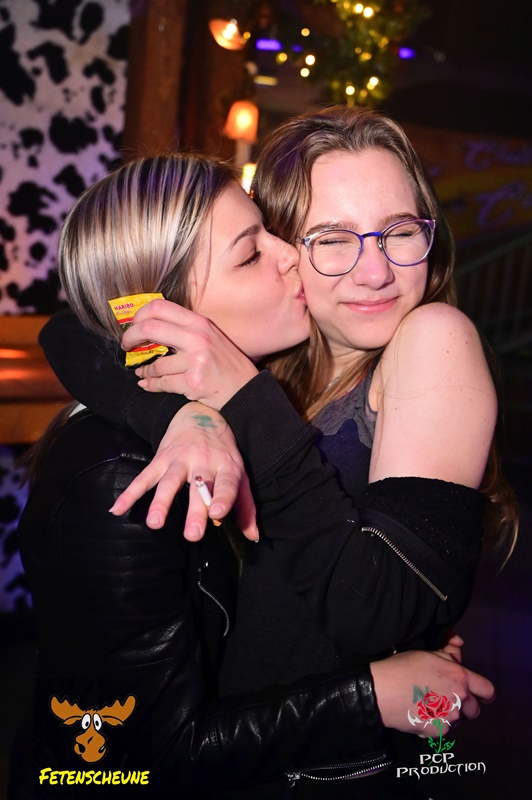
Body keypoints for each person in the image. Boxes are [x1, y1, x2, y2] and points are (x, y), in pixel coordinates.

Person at [34, 109, 513, 796]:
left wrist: (228, 399)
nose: (376, 271)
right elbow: (73, 330)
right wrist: (183, 412)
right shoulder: (276, 365)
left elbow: (379, 607)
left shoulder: (428, 336)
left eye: (402, 232)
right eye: (330, 239)